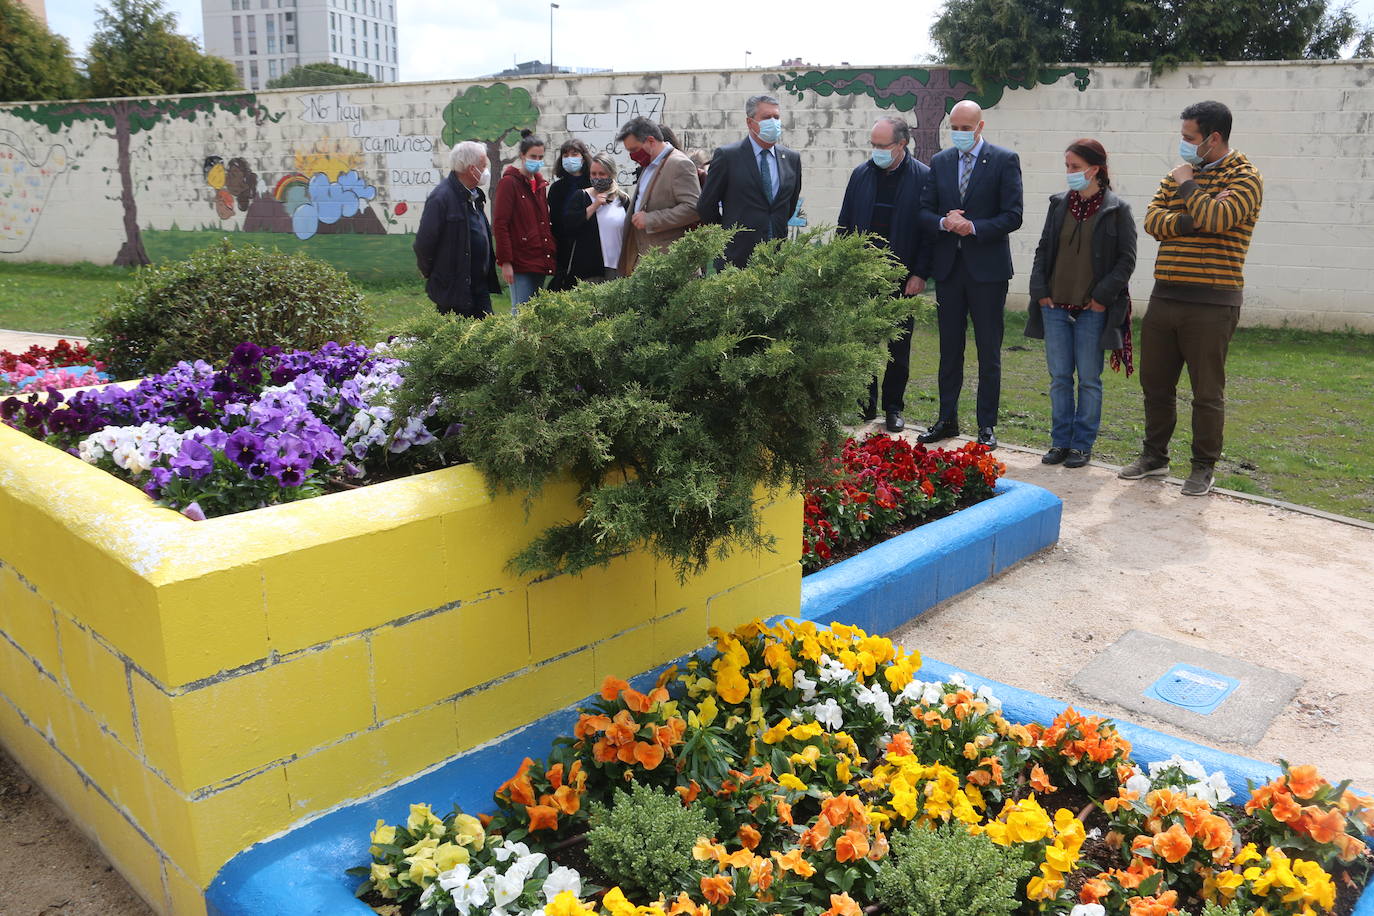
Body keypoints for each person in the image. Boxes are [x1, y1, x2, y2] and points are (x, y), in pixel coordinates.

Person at [1120, 100, 1263, 496]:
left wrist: (1187, 186)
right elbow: (1152, 221)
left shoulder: (1245, 176)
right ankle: (1154, 457)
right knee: (1156, 385)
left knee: (1206, 393)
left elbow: (1220, 218)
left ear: (1213, 138)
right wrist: (1192, 219)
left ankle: (1203, 467)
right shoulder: (1178, 174)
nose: (1182, 144)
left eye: (1189, 137)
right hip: (1166, 296)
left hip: (1213, 303)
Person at [916, 100, 1024, 450]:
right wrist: (944, 222)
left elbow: (1013, 215)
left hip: (988, 272)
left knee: (988, 351)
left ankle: (986, 425)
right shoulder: (941, 161)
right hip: (949, 270)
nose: (960, 133)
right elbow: (924, 211)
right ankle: (946, 419)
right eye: (955, 128)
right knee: (949, 349)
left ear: (980, 126)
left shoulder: (1004, 160)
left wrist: (973, 226)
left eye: (966, 128)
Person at [1025, 139, 1137, 469]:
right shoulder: (1058, 204)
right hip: (1054, 307)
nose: (1070, 172)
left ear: (1095, 169)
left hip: (1091, 310)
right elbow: (1043, 248)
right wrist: (1040, 291)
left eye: (1075, 167)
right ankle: (1060, 441)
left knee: (1089, 379)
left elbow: (1126, 260)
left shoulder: (1117, 209)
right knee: (1060, 377)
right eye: (1067, 166)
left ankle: (1081, 445)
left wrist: (1101, 298)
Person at [836, 116, 932, 433]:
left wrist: (920, 273)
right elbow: (845, 223)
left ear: (901, 144)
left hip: (902, 277)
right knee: (863, 341)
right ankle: (864, 404)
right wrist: (843, 267)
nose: (876, 150)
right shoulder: (861, 175)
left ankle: (893, 407)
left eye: (882, 145)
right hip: (863, 275)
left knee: (898, 347)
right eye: (873, 144)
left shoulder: (923, 178)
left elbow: (928, 233)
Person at [697, 94, 803, 269]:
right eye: (766, 117)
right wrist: (728, 232)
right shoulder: (728, 156)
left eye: (776, 117)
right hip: (736, 258)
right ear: (749, 122)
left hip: (777, 258)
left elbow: (789, 205)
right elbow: (706, 205)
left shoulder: (791, 158)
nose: (773, 122)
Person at [413, 140, 501, 318]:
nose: (486, 171)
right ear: (471, 169)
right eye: (483, 166)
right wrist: (433, 273)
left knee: (488, 331)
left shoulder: (474, 196)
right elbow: (424, 243)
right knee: (457, 333)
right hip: (454, 289)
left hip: (479, 286)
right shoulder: (441, 198)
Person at [615, 117, 701, 275]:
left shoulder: (679, 164)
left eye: (634, 149)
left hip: (673, 265)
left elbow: (693, 208)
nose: (632, 156)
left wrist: (650, 219)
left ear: (650, 141)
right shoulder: (649, 165)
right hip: (648, 263)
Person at [491, 131, 556, 311]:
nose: (537, 161)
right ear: (522, 156)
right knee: (521, 312)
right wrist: (505, 262)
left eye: (541, 157)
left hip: (539, 259)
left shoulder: (540, 185)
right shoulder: (509, 183)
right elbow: (500, 224)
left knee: (534, 312)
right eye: (533, 156)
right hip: (520, 261)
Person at [558, 152, 630, 283]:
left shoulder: (623, 199)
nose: (597, 178)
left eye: (602, 174)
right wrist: (594, 205)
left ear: (611, 174)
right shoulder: (581, 196)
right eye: (593, 174)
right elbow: (569, 226)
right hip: (590, 270)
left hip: (619, 267)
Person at [548, 138, 593, 291]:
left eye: (574, 154)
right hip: (564, 247)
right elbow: (555, 221)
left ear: (583, 157)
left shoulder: (592, 183)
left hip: (588, 245)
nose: (569, 158)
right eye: (565, 155)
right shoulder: (556, 188)